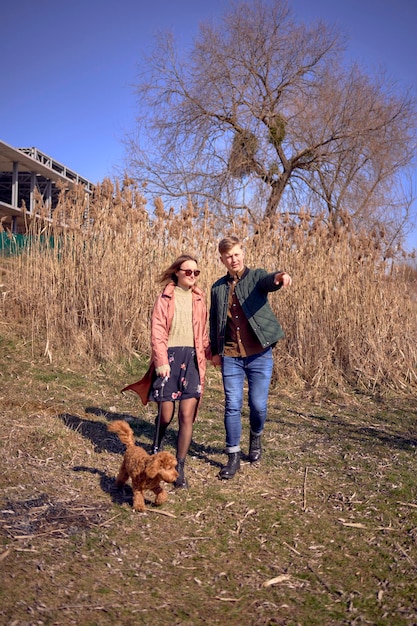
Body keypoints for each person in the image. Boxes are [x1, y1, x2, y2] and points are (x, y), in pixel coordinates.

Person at [123, 255, 211, 489]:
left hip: (192, 360)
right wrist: (161, 360)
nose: (192, 276)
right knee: (166, 414)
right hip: (170, 359)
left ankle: (179, 466)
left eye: (196, 272)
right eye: (188, 271)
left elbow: (202, 333)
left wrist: (209, 354)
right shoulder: (165, 296)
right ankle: (155, 451)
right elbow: (158, 330)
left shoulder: (200, 298)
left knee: (186, 415)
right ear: (177, 273)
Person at [209, 235, 292, 480]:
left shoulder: (256, 277)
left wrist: (279, 277)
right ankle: (233, 456)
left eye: (236, 254)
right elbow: (215, 321)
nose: (233, 259)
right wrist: (215, 351)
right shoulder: (217, 288)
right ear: (222, 259)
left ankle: (256, 436)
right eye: (228, 256)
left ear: (242, 253)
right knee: (232, 405)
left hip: (259, 355)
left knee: (258, 405)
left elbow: (269, 281)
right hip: (231, 356)